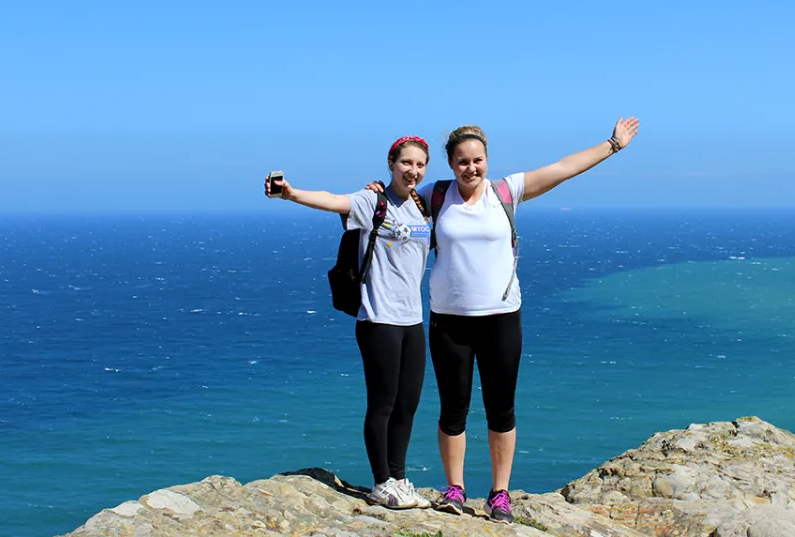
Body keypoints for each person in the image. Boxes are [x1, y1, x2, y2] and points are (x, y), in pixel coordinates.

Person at [417, 117, 640, 523]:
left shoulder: (506, 191)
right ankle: (454, 489)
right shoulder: (433, 196)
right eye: (463, 161)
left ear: (487, 159)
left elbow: (563, 168)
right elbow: (390, 200)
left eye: (478, 159)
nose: (472, 168)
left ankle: (499, 494)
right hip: (449, 320)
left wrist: (613, 144)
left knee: (501, 409)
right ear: (450, 164)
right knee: (453, 409)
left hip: (501, 318)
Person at [265, 136, 435, 509]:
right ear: (391, 163)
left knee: (408, 403)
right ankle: (380, 482)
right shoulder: (370, 201)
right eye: (406, 163)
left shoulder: (422, 207)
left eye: (420, 165)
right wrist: (290, 193)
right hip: (377, 318)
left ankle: (399, 478)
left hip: (412, 320)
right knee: (383, 403)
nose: (414, 171)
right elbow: (332, 200)